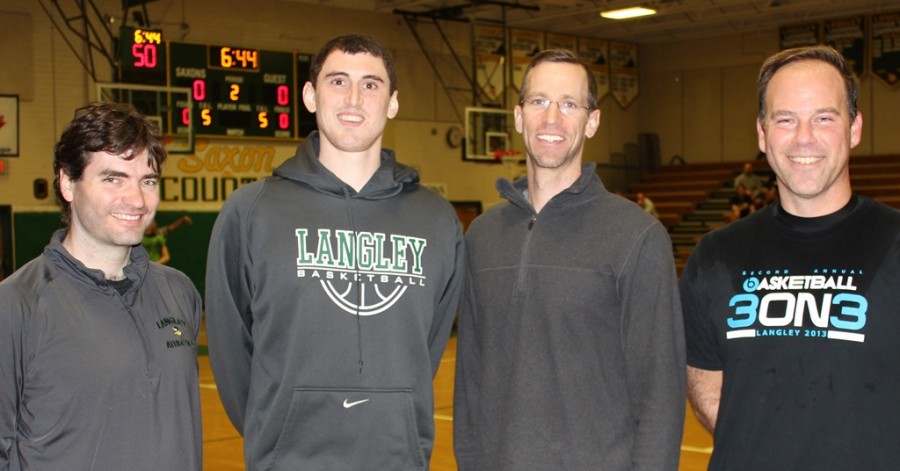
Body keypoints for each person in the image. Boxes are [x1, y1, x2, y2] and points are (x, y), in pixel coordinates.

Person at [205, 33, 464, 470]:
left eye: (371, 84)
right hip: (286, 459)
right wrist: (278, 430)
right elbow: (231, 346)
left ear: (393, 102)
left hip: (397, 457)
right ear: (310, 95)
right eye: (338, 81)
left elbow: (431, 339)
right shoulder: (252, 211)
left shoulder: (436, 219)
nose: (354, 98)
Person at [453, 49, 685, 470]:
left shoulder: (637, 235)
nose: (552, 118)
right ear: (519, 116)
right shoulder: (483, 237)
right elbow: (470, 379)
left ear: (591, 121)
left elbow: (660, 392)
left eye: (569, 104)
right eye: (539, 101)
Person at [682, 45, 900, 469]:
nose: (804, 137)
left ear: (854, 128)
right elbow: (706, 386)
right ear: (763, 134)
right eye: (785, 119)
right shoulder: (715, 256)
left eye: (824, 117)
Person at [0, 102, 202, 470]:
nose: (137, 199)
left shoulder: (180, 292)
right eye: (113, 178)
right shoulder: (16, 305)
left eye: (148, 181)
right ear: (67, 182)